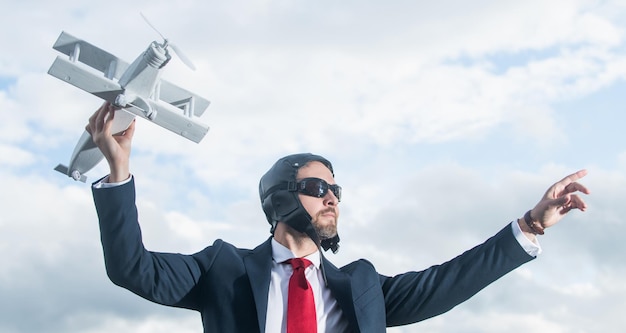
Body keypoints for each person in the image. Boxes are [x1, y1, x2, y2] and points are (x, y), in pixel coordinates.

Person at [87, 102, 590, 333]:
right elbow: (132, 268)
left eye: (335, 189)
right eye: (315, 188)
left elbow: (450, 281)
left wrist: (531, 225)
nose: (331, 197)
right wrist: (119, 170)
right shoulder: (222, 269)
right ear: (279, 200)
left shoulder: (363, 287)